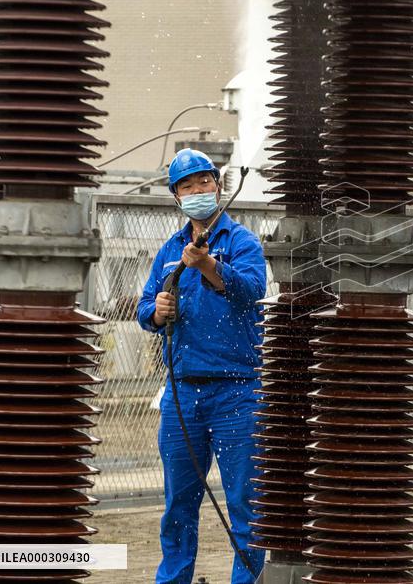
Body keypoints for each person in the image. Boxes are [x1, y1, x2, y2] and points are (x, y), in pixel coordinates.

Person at [136, 148, 266, 584]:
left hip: (237, 391)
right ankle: (173, 579)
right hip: (182, 393)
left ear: (218, 186)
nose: (197, 192)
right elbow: (143, 310)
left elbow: (250, 290)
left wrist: (209, 264)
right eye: (187, 187)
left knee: (245, 502)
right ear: (176, 196)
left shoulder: (241, 241)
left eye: (203, 183)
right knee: (178, 503)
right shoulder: (171, 250)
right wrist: (157, 311)